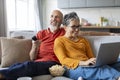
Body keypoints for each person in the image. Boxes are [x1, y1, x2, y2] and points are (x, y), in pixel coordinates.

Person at [0, 10, 65, 80]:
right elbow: (32, 58)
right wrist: (35, 46)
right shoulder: (41, 33)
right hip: (38, 62)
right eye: (52, 16)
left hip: (53, 64)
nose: (53, 19)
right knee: (17, 65)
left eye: (57, 17)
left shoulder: (64, 33)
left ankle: (2, 75)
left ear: (61, 21)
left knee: (29, 65)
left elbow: (74, 30)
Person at [54, 12, 120, 80]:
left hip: (87, 65)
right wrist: (83, 63)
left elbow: (91, 57)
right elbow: (63, 60)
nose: (76, 30)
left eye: (78, 26)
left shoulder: (83, 40)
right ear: (65, 27)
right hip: (71, 68)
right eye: (73, 26)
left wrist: (96, 61)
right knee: (99, 69)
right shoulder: (59, 41)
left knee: (118, 62)